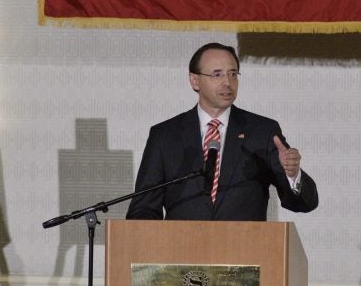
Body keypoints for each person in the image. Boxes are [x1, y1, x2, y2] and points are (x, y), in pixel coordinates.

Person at [126, 42, 318, 221]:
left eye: (233, 74)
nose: (227, 82)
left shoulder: (262, 132)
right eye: (217, 74)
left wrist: (293, 175)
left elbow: (304, 203)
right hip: (182, 251)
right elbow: (143, 209)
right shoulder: (164, 136)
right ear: (195, 81)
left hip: (245, 252)